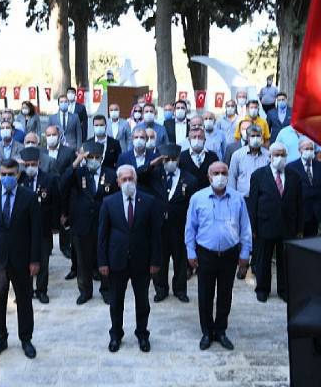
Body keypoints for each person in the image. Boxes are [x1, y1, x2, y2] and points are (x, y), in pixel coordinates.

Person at [185, 161, 251, 351]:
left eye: (223, 172)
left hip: (230, 254)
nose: (220, 176)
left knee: (225, 294)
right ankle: (207, 332)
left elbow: (245, 229)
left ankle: (220, 330)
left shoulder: (238, 199)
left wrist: (245, 255)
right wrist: (190, 251)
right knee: (205, 294)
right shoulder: (198, 198)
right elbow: (190, 228)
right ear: (209, 176)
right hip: (206, 253)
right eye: (216, 173)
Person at [0, 158, 41, 360]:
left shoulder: (30, 197)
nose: (6, 178)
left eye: (10, 174)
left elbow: (36, 232)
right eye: (3, 174)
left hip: (22, 260)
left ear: (18, 175)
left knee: (24, 300)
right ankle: (0, 339)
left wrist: (35, 260)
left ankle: (26, 338)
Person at [97, 164, 161, 353]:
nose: (127, 182)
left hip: (142, 262)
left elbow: (155, 234)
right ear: (117, 182)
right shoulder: (109, 202)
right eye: (123, 179)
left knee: (143, 302)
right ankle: (116, 334)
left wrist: (155, 261)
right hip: (116, 261)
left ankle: (142, 334)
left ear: (136, 180)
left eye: (130, 179)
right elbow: (102, 235)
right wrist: (102, 261)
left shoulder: (149, 201)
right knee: (116, 302)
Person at [60, 142, 118, 305]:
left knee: (104, 258)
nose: (93, 160)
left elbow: (115, 198)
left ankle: (106, 289)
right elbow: (62, 184)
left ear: (101, 158)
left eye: (96, 157)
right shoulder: (78, 173)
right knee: (83, 261)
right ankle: (85, 291)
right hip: (82, 223)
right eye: (90, 157)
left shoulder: (111, 174)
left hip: (103, 223)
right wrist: (77, 161)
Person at [248, 142, 303, 303]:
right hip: (265, 225)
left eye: (282, 155)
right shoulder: (258, 175)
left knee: (284, 261)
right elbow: (253, 203)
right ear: (270, 156)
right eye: (276, 155)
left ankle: (284, 290)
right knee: (263, 260)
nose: (279, 158)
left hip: (288, 226)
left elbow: (299, 203)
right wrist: (253, 227)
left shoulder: (294, 176)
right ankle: (262, 289)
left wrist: (299, 227)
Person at [148, 144, 197, 303]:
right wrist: (153, 163)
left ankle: (180, 289)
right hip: (159, 227)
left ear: (178, 159)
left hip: (180, 227)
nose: (170, 162)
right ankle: (161, 289)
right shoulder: (154, 175)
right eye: (166, 159)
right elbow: (139, 175)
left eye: (172, 159)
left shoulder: (189, 179)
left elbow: (194, 205)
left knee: (180, 260)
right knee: (160, 260)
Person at [18, 147, 61, 304]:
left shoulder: (49, 179)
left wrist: (56, 225)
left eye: (33, 164)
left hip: (43, 227)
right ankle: (26, 291)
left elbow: (56, 202)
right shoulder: (20, 179)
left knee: (43, 261)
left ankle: (41, 290)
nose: (30, 167)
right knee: (24, 261)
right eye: (27, 164)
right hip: (23, 229)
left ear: (39, 163)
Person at [43, 125, 77, 279]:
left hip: (64, 194)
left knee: (66, 226)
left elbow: (72, 173)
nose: (51, 137)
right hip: (46, 197)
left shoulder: (68, 152)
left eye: (53, 134)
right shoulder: (41, 153)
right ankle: (48, 249)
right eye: (48, 135)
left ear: (59, 135)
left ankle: (66, 249)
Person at [286, 139, 321, 237]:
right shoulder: (291, 167)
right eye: (306, 149)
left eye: (311, 149)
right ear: (300, 150)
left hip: (316, 213)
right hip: (300, 213)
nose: (309, 151)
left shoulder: (320, 166)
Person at [228, 125, 270, 197]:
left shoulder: (268, 155)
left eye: (258, 136)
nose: (256, 138)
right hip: (243, 197)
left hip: (262, 197)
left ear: (262, 137)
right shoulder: (237, 155)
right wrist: (233, 196)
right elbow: (232, 177)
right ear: (247, 138)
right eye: (253, 136)